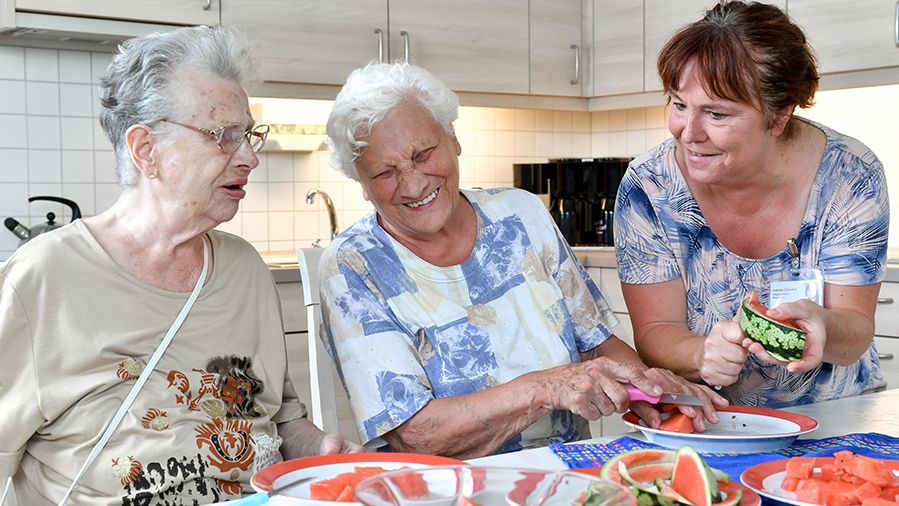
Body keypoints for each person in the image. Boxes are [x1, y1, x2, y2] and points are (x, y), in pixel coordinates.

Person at [0, 25, 361, 505]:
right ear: (146, 150)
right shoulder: (42, 277)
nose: (250, 156)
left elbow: (276, 419)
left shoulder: (244, 270)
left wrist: (320, 447)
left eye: (249, 134)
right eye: (224, 136)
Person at [320, 61, 727, 459]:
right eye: (384, 173)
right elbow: (417, 436)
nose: (412, 183)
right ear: (362, 184)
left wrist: (650, 388)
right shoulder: (353, 265)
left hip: (570, 473)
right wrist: (546, 387)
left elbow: (597, 346)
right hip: (450, 490)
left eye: (423, 154)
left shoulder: (520, 214)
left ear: (453, 139)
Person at [614, 1, 889, 408]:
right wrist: (701, 354)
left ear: (778, 117)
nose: (689, 133)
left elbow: (855, 332)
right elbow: (656, 330)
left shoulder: (850, 176)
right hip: (711, 420)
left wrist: (824, 328)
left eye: (716, 114)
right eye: (678, 104)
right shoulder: (648, 187)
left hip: (836, 417)